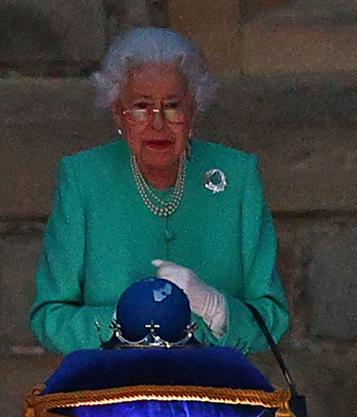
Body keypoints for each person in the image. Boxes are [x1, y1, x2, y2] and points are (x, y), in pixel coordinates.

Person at [29, 26, 289, 354]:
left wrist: (216, 309)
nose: (157, 123)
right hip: (111, 394)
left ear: (193, 110)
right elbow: (50, 318)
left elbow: (273, 318)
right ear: (117, 113)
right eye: (140, 106)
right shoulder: (84, 179)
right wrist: (135, 323)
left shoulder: (237, 177)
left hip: (213, 394)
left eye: (172, 106)